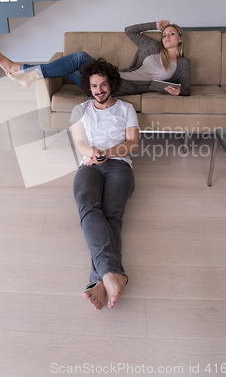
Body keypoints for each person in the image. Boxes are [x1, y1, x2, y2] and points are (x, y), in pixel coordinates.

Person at [70, 58, 139, 310]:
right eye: (94, 85)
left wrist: (109, 152)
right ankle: (113, 274)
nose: (99, 90)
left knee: (112, 216)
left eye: (104, 84)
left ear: (112, 84)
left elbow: (132, 143)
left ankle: (100, 279)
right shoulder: (80, 110)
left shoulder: (126, 108)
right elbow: (79, 143)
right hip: (89, 165)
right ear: (88, 87)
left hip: (120, 164)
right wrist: (93, 152)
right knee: (88, 207)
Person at [0, 20, 190, 96]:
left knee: (78, 58)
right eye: (165, 34)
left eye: (171, 34)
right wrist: (155, 24)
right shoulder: (152, 46)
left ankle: (23, 70)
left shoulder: (183, 64)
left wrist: (178, 91)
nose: (166, 37)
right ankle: (26, 72)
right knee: (77, 60)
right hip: (116, 76)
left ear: (180, 39)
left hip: (121, 86)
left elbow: (187, 89)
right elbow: (129, 31)